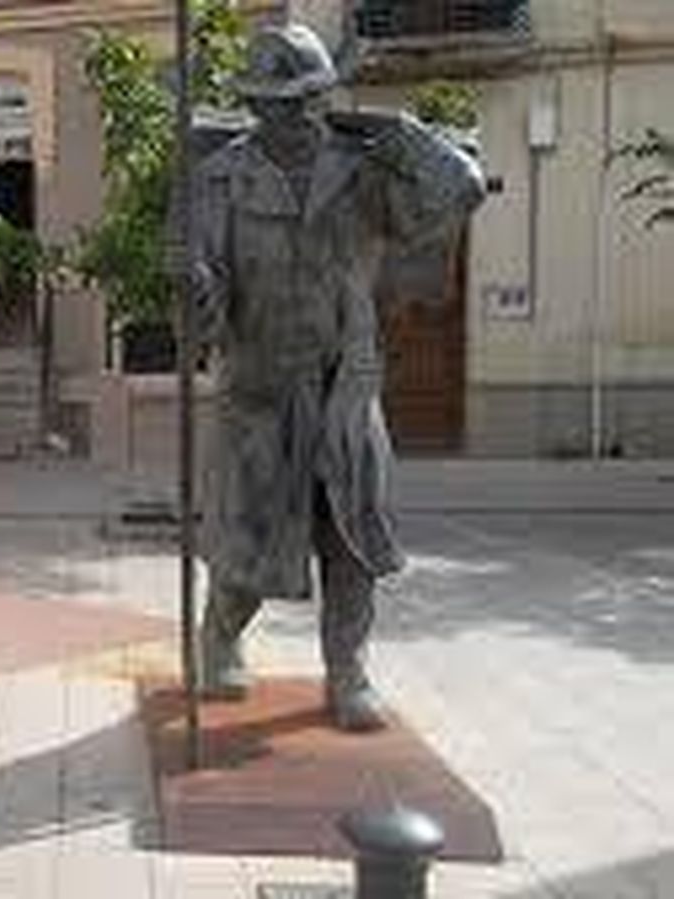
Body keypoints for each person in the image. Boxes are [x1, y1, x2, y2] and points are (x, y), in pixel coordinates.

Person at [189, 22, 485, 732]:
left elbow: (462, 190)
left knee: (351, 539)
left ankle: (347, 668)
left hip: (344, 388)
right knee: (248, 541)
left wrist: (402, 129)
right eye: (270, 102)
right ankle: (219, 636)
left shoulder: (364, 169)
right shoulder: (218, 178)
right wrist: (196, 290)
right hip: (258, 392)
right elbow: (201, 305)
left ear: (323, 94)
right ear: (254, 105)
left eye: (300, 98)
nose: (285, 115)